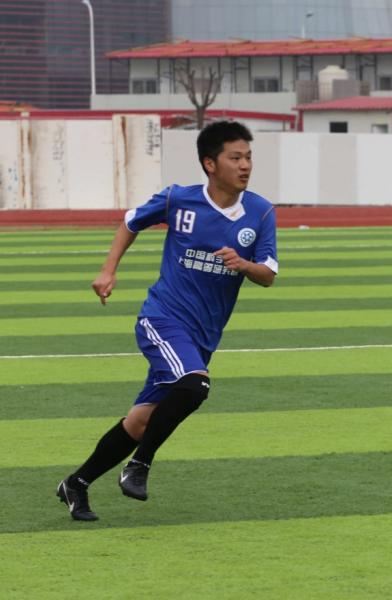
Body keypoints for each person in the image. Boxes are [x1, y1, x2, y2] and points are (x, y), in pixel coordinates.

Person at [56, 121, 278, 520]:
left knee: (141, 422)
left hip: (202, 335)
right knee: (195, 385)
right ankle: (139, 465)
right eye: (235, 158)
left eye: (248, 157)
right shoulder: (178, 199)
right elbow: (131, 222)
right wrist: (108, 270)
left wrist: (244, 264)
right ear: (210, 163)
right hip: (162, 318)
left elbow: (268, 275)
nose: (245, 165)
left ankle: (77, 483)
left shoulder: (260, 212)